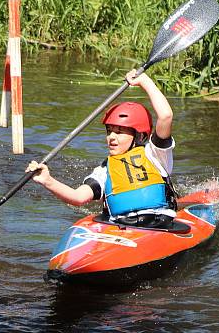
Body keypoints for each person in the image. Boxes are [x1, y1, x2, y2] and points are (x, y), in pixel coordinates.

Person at [26, 69, 177, 229]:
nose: (111, 137)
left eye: (119, 132)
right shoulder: (104, 171)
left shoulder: (155, 155)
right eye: (109, 131)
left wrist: (144, 81)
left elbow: (166, 116)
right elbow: (78, 197)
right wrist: (47, 180)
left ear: (139, 136)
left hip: (160, 225)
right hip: (121, 228)